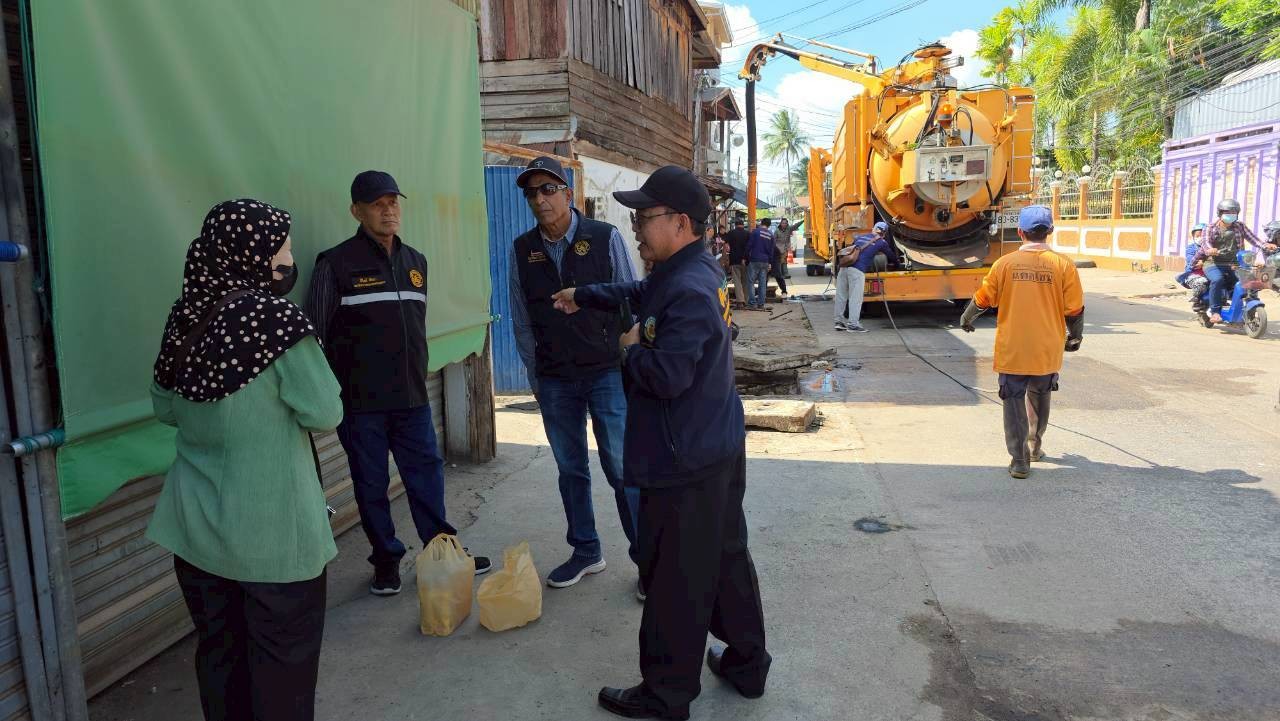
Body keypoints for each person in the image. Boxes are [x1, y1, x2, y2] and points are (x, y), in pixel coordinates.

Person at [550, 166, 771, 721]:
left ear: (680, 223)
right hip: (713, 442)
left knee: (674, 578)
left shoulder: (688, 287)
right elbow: (639, 291)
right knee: (725, 558)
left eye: (644, 218)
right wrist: (584, 295)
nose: (636, 229)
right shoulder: (689, 269)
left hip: (684, 459)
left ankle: (666, 695)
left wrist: (628, 349)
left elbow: (667, 376)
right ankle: (747, 664)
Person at [149, 199, 342, 721]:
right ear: (252, 253)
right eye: (283, 248)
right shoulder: (278, 321)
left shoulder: (187, 313)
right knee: (283, 672)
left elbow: (164, 407)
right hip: (274, 538)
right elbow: (325, 412)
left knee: (220, 658)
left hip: (196, 530)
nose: (289, 258)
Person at [305, 170, 489, 597]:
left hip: (412, 398)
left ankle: (442, 552)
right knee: (371, 484)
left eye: (393, 202)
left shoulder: (415, 262)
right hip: (360, 404)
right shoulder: (335, 264)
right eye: (377, 204)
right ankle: (386, 561)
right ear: (357, 211)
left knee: (427, 476)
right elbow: (314, 335)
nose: (388, 211)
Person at [506, 156, 641, 592]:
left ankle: (648, 559)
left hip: (606, 372)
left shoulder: (604, 237)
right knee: (571, 469)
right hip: (555, 378)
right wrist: (536, 377)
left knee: (622, 467)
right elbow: (521, 319)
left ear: (568, 193)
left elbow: (631, 301)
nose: (540, 199)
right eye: (532, 193)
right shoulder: (522, 250)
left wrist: (632, 363)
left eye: (548, 189)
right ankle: (586, 551)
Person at [960, 205, 1084, 480]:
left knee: (1013, 400)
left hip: (1013, 347)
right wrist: (1075, 336)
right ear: (1050, 231)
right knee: (1040, 395)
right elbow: (1074, 309)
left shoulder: (1004, 264)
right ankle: (1034, 446)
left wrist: (967, 317)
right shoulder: (1064, 265)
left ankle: (1019, 461)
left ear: (1019, 232)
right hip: (1046, 348)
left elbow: (984, 297)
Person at [1195, 199, 1277, 323]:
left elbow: (1253, 239)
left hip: (1235, 263)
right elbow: (1205, 242)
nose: (1231, 215)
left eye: (1234, 212)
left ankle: (1243, 307)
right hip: (1214, 263)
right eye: (1227, 212)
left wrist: (1265, 245)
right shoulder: (1210, 227)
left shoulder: (1240, 226)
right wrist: (1210, 249)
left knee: (1248, 281)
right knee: (1217, 280)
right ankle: (1215, 311)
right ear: (1220, 213)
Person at [832, 221, 891, 333]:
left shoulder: (860, 237)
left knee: (841, 296)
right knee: (855, 298)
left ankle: (838, 322)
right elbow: (890, 255)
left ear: (873, 229)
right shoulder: (882, 242)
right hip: (857, 271)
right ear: (884, 233)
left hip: (844, 268)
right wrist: (896, 263)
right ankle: (853, 325)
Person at [1175, 223, 1209, 304]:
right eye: (1197, 236)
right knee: (1201, 282)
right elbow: (1193, 262)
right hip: (1194, 275)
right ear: (1193, 237)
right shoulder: (1191, 248)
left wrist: (1203, 262)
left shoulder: (1212, 247)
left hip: (1210, 273)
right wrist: (1207, 262)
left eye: (1202, 235)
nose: (1200, 238)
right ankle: (1197, 297)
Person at [746, 217, 775, 309]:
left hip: (754, 260)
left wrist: (745, 257)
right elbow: (772, 251)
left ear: (761, 223)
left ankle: (752, 303)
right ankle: (761, 303)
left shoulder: (755, 232)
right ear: (769, 225)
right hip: (765, 261)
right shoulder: (771, 235)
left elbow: (749, 245)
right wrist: (770, 262)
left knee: (750, 281)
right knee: (762, 283)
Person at [724, 218, 750, 306]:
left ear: (735, 225)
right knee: (745, 281)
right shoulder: (747, 233)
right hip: (745, 260)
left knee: (737, 281)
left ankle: (740, 301)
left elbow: (726, 246)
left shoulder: (731, 233)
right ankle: (746, 300)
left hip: (734, 260)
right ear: (743, 224)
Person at [772, 218, 793, 294]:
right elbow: (773, 240)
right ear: (780, 224)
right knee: (779, 262)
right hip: (778, 249)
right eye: (783, 223)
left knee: (784, 261)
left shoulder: (788, 230)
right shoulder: (777, 231)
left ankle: (785, 273)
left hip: (784, 249)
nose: (784, 224)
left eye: (785, 223)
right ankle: (780, 274)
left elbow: (795, 226)